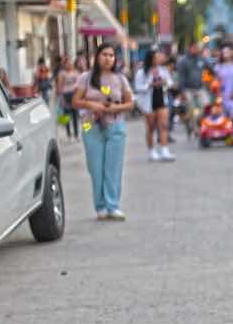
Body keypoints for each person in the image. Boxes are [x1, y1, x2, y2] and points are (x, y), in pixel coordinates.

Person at [72, 43, 134, 221]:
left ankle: (113, 205)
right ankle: (100, 206)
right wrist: (91, 104)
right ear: (97, 56)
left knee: (113, 167)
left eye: (111, 55)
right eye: (104, 54)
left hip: (115, 124)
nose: (108, 58)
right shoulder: (86, 77)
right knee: (95, 167)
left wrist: (115, 107)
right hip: (89, 124)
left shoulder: (120, 78)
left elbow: (130, 103)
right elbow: (75, 101)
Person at [135, 50, 175, 161]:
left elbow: (170, 83)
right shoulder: (142, 72)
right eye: (157, 56)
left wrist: (165, 82)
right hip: (149, 101)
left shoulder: (163, 70)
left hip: (162, 99)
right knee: (151, 127)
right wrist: (150, 84)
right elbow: (138, 87)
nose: (160, 58)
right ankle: (151, 151)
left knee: (164, 125)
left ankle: (164, 150)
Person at [177, 41, 213, 127]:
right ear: (189, 48)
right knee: (191, 108)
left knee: (207, 106)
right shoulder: (183, 61)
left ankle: (198, 122)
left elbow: (212, 70)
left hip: (200, 88)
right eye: (194, 47)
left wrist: (210, 80)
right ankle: (193, 125)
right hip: (188, 89)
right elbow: (181, 78)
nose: (196, 49)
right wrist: (182, 92)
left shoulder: (201, 59)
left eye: (197, 47)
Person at [215, 44, 233, 128]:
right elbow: (216, 82)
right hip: (223, 95)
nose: (226, 54)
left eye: (228, 52)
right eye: (224, 52)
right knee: (223, 115)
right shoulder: (218, 67)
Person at [56, 57, 80, 140]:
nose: (69, 64)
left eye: (70, 62)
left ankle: (76, 134)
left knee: (75, 115)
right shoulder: (61, 73)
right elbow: (59, 86)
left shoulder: (76, 72)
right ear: (64, 64)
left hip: (74, 94)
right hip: (66, 95)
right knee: (66, 116)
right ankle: (69, 134)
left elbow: (79, 84)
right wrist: (61, 97)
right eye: (67, 63)